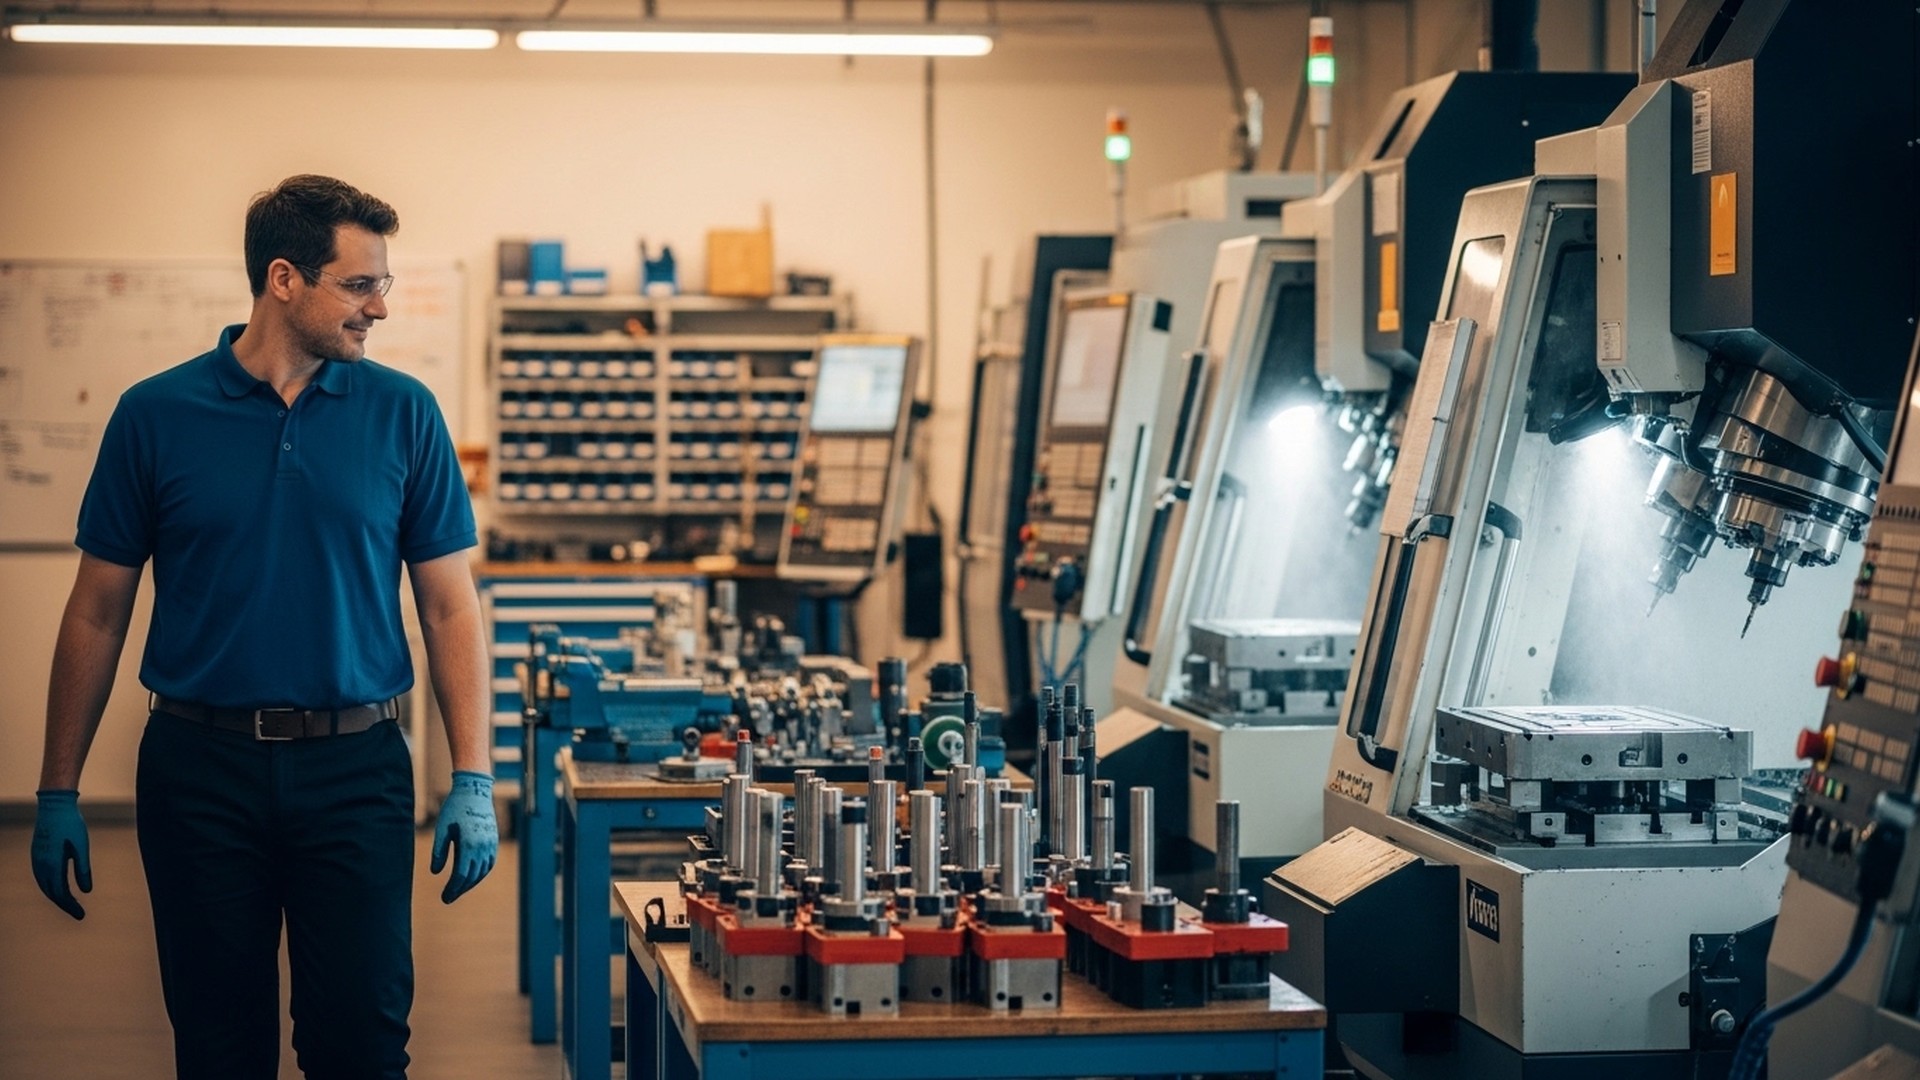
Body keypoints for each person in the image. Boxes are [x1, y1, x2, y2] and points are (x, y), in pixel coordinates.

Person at [29, 174, 497, 1080]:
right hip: (199, 773)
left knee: (361, 1044)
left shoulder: (405, 413)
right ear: (284, 279)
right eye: (361, 285)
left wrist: (473, 774)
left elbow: (448, 605)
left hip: (355, 769)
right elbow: (97, 609)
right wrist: (58, 789)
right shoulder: (155, 416)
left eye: (385, 285)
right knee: (217, 1046)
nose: (381, 308)